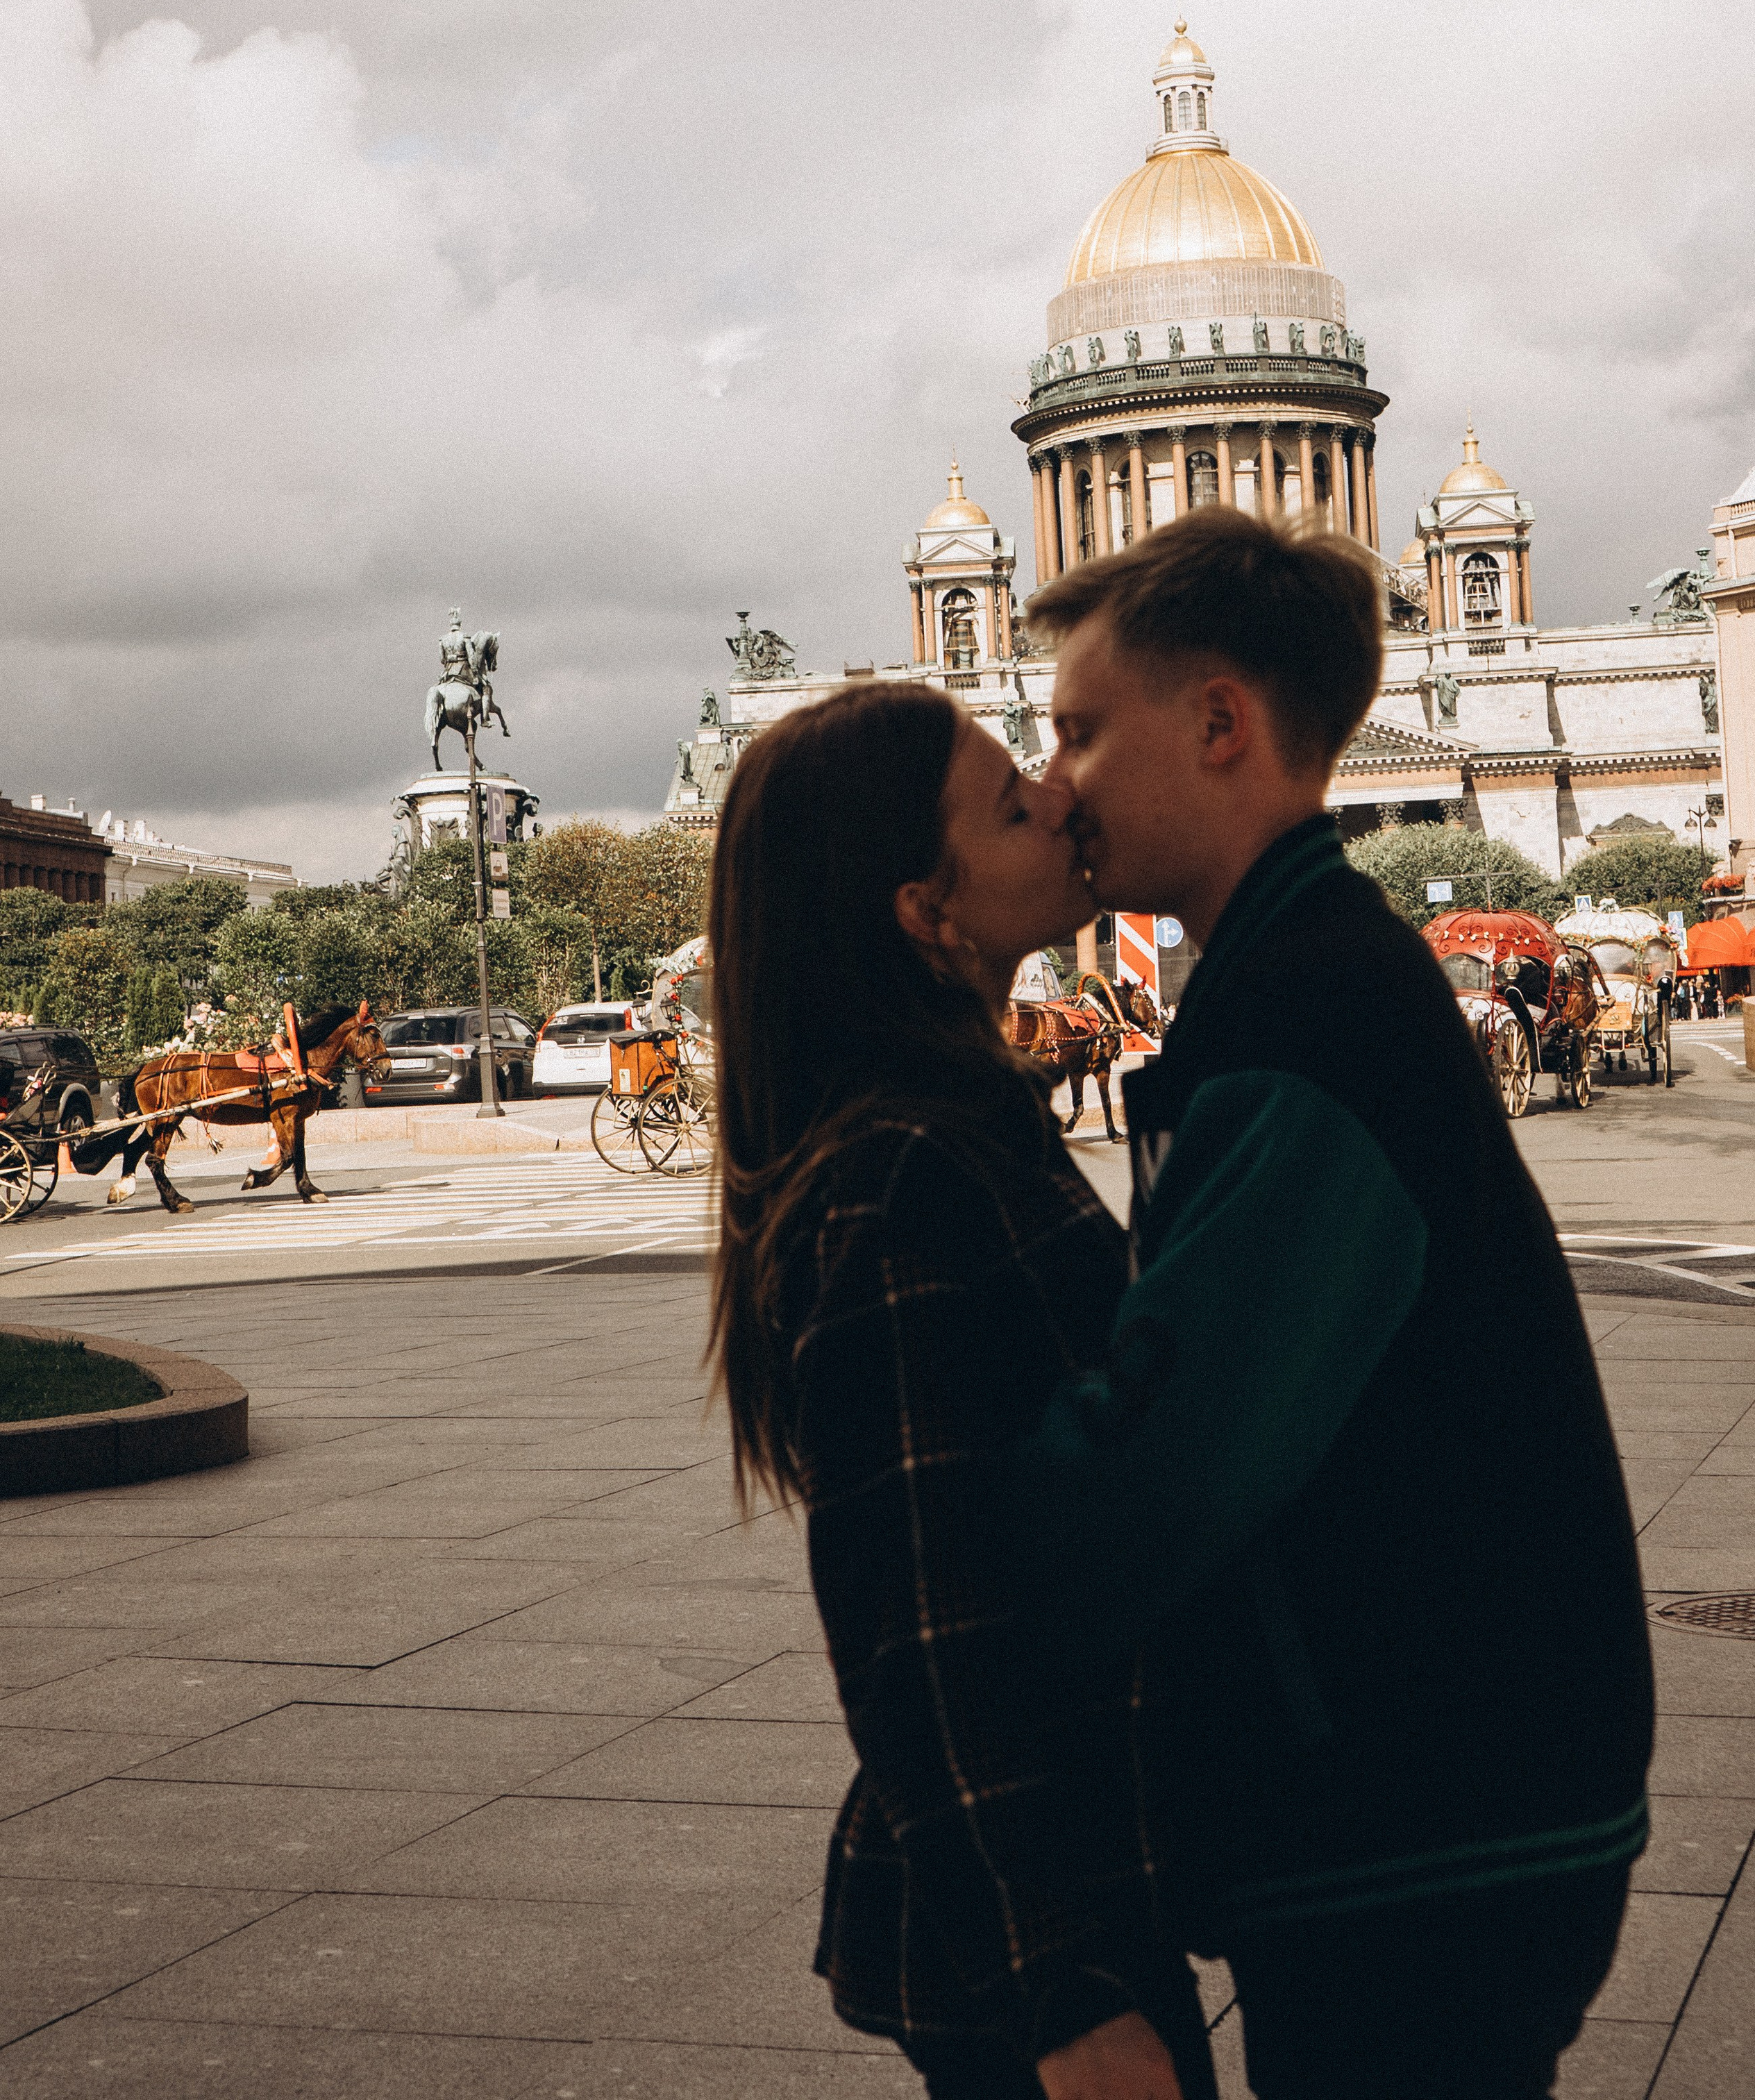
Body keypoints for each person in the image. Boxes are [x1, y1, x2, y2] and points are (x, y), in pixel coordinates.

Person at [1023, 508, 1653, 2100]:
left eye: (1082, 733)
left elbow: (1165, 1464)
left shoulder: (1306, 1010)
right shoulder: (1305, 972)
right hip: (1447, 1778)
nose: (1054, 787)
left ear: (1221, 722)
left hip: (1419, 1806)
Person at [706, 680, 1217, 2100]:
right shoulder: (907, 1176)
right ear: (928, 915)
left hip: (1054, 1894)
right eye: (1009, 804)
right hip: (1037, 1940)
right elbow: (918, 1624)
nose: (1059, 798)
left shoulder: (943, 1128)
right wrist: (1065, 1991)